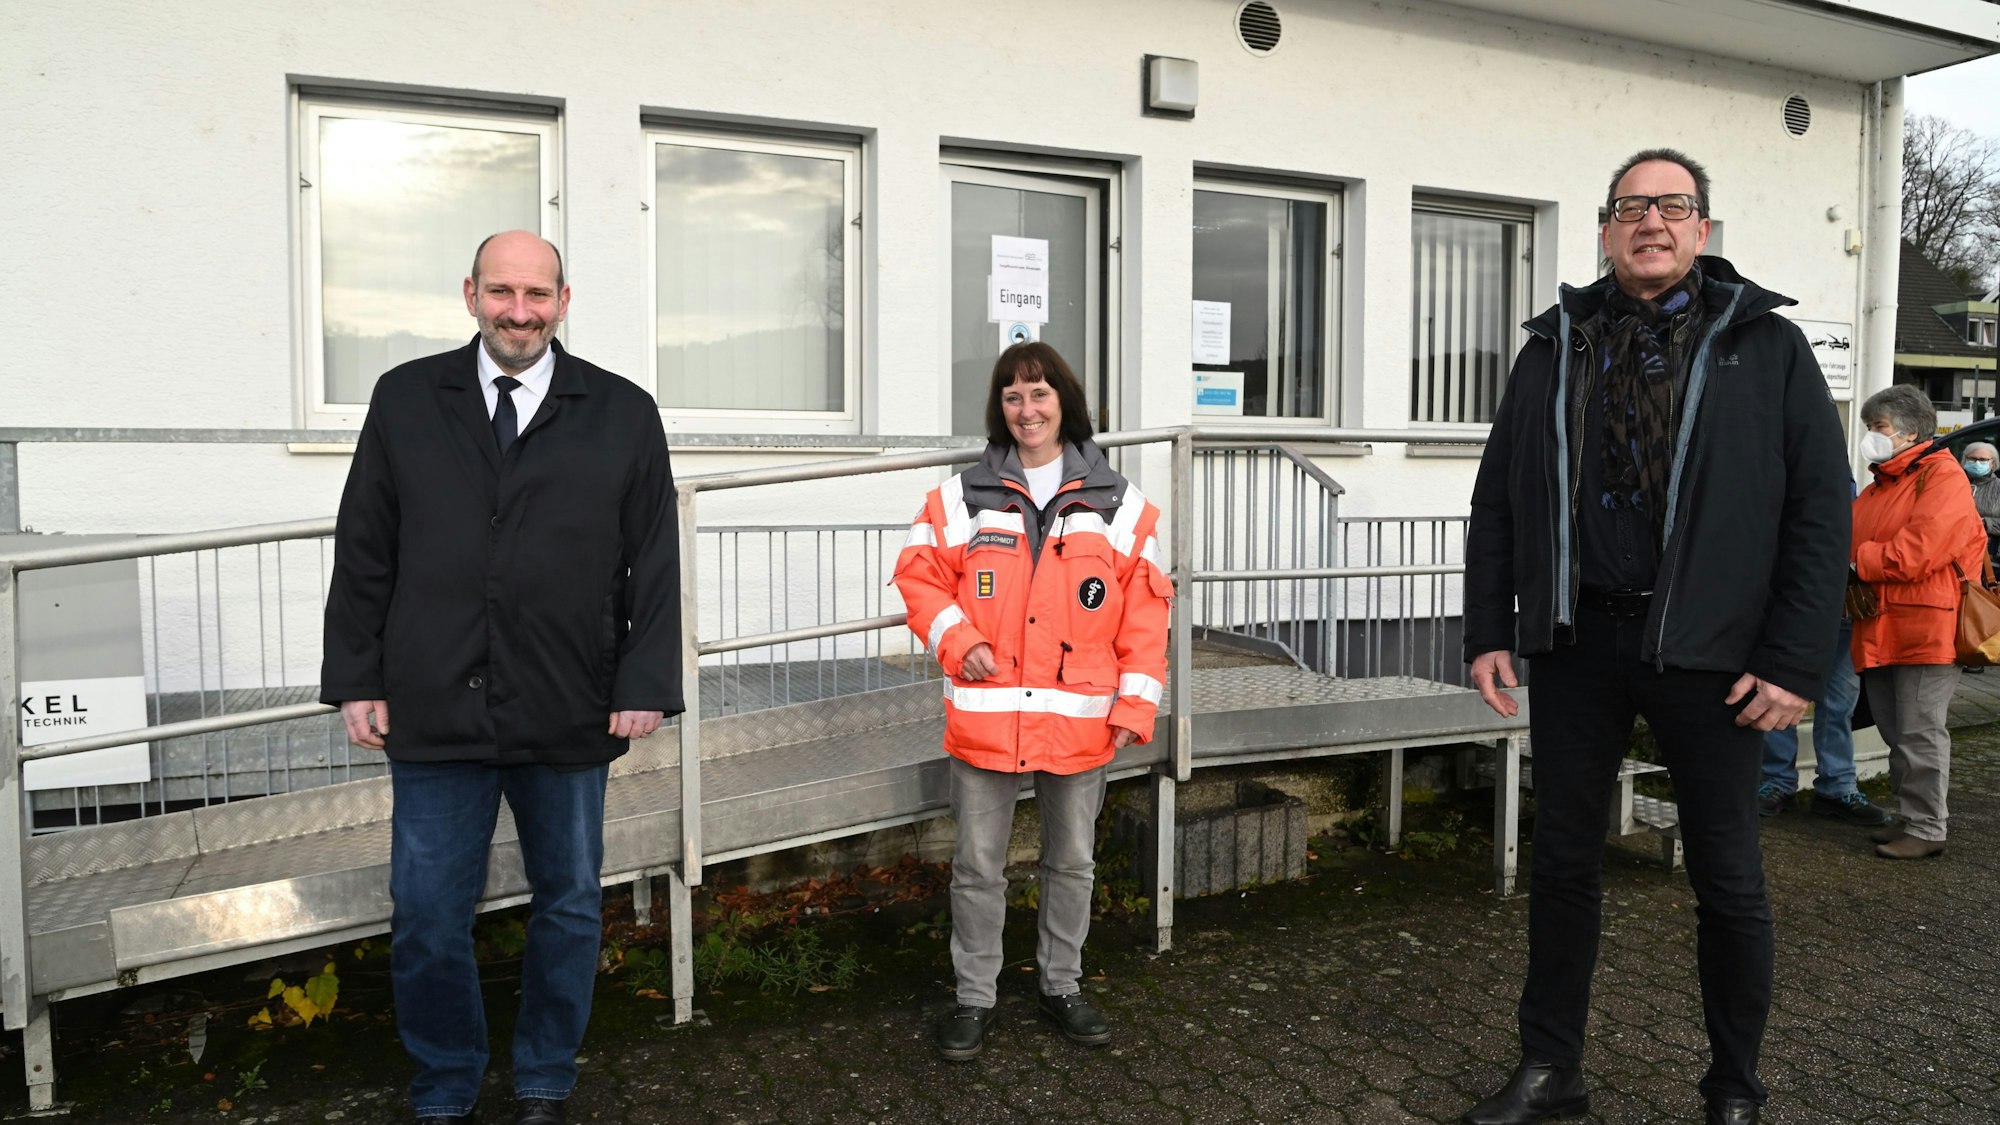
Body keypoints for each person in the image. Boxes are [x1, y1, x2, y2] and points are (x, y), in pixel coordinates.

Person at [1461, 150, 1849, 1125]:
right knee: (1558, 863)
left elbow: (1816, 511)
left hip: (1717, 657)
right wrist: (1486, 630)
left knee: (1724, 877)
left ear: (1701, 231)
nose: (1651, 222)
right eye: (1631, 207)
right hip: (1575, 643)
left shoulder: (1765, 348)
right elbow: (1496, 501)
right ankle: (1552, 1072)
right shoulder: (1553, 345)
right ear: (1604, 229)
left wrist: (1793, 659)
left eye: (1671, 206)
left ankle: (1732, 1089)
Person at [321, 231, 681, 1125]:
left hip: (570, 700)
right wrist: (355, 675)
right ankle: (446, 1079)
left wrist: (644, 679)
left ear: (564, 299)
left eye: (536, 294)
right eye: (500, 292)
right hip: (435, 699)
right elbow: (365, 547)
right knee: (426, 913)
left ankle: (545, 1075)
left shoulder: (624, 411)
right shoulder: (406, 399)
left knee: (567, 904)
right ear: (470, 292)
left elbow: (654, 561)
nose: (518, 311)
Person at [891, 342, 1171, 1062]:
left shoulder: (1119, 504)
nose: (1028, 409)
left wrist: (1135, 706)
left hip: (1078, 723)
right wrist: (957, 640)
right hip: (987, 717)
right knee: (979, 866)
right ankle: (973, 997)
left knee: (1071, 861)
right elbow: (918, 576)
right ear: (1001, 408)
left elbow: (1146, 615)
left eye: (1040, 394)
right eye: (1013, 397)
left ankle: (1061, 985)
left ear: (1064, 402)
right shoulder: (960, 498)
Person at [1850, 385, 1986, 860]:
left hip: (1927, 628)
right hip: (1884, 623)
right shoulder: (1882, 483)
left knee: (1921, 731)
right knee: (1895, 730)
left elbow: (1918, 552)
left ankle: (1929, 828)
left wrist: (1855, 562)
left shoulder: (1941, 478)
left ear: (1910, 432)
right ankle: (1910, 817)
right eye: (1870, 427)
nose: (1871, 437)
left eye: (1879, 428)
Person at [1756, 616, 1888, 824]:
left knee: (1840, 701)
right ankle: (1778, 780)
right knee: (1780, 688)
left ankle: (1837, 786)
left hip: (1846, 611)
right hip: (1792, 608)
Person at [1962, 440, 2000, 564]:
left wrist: (1985, 522)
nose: (1977, 463)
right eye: (1972, 459)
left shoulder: (1998, 487)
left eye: (1983, 460)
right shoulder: (1955, 483)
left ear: (1992, 462)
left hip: (1988, 557)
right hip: (1956, 552)